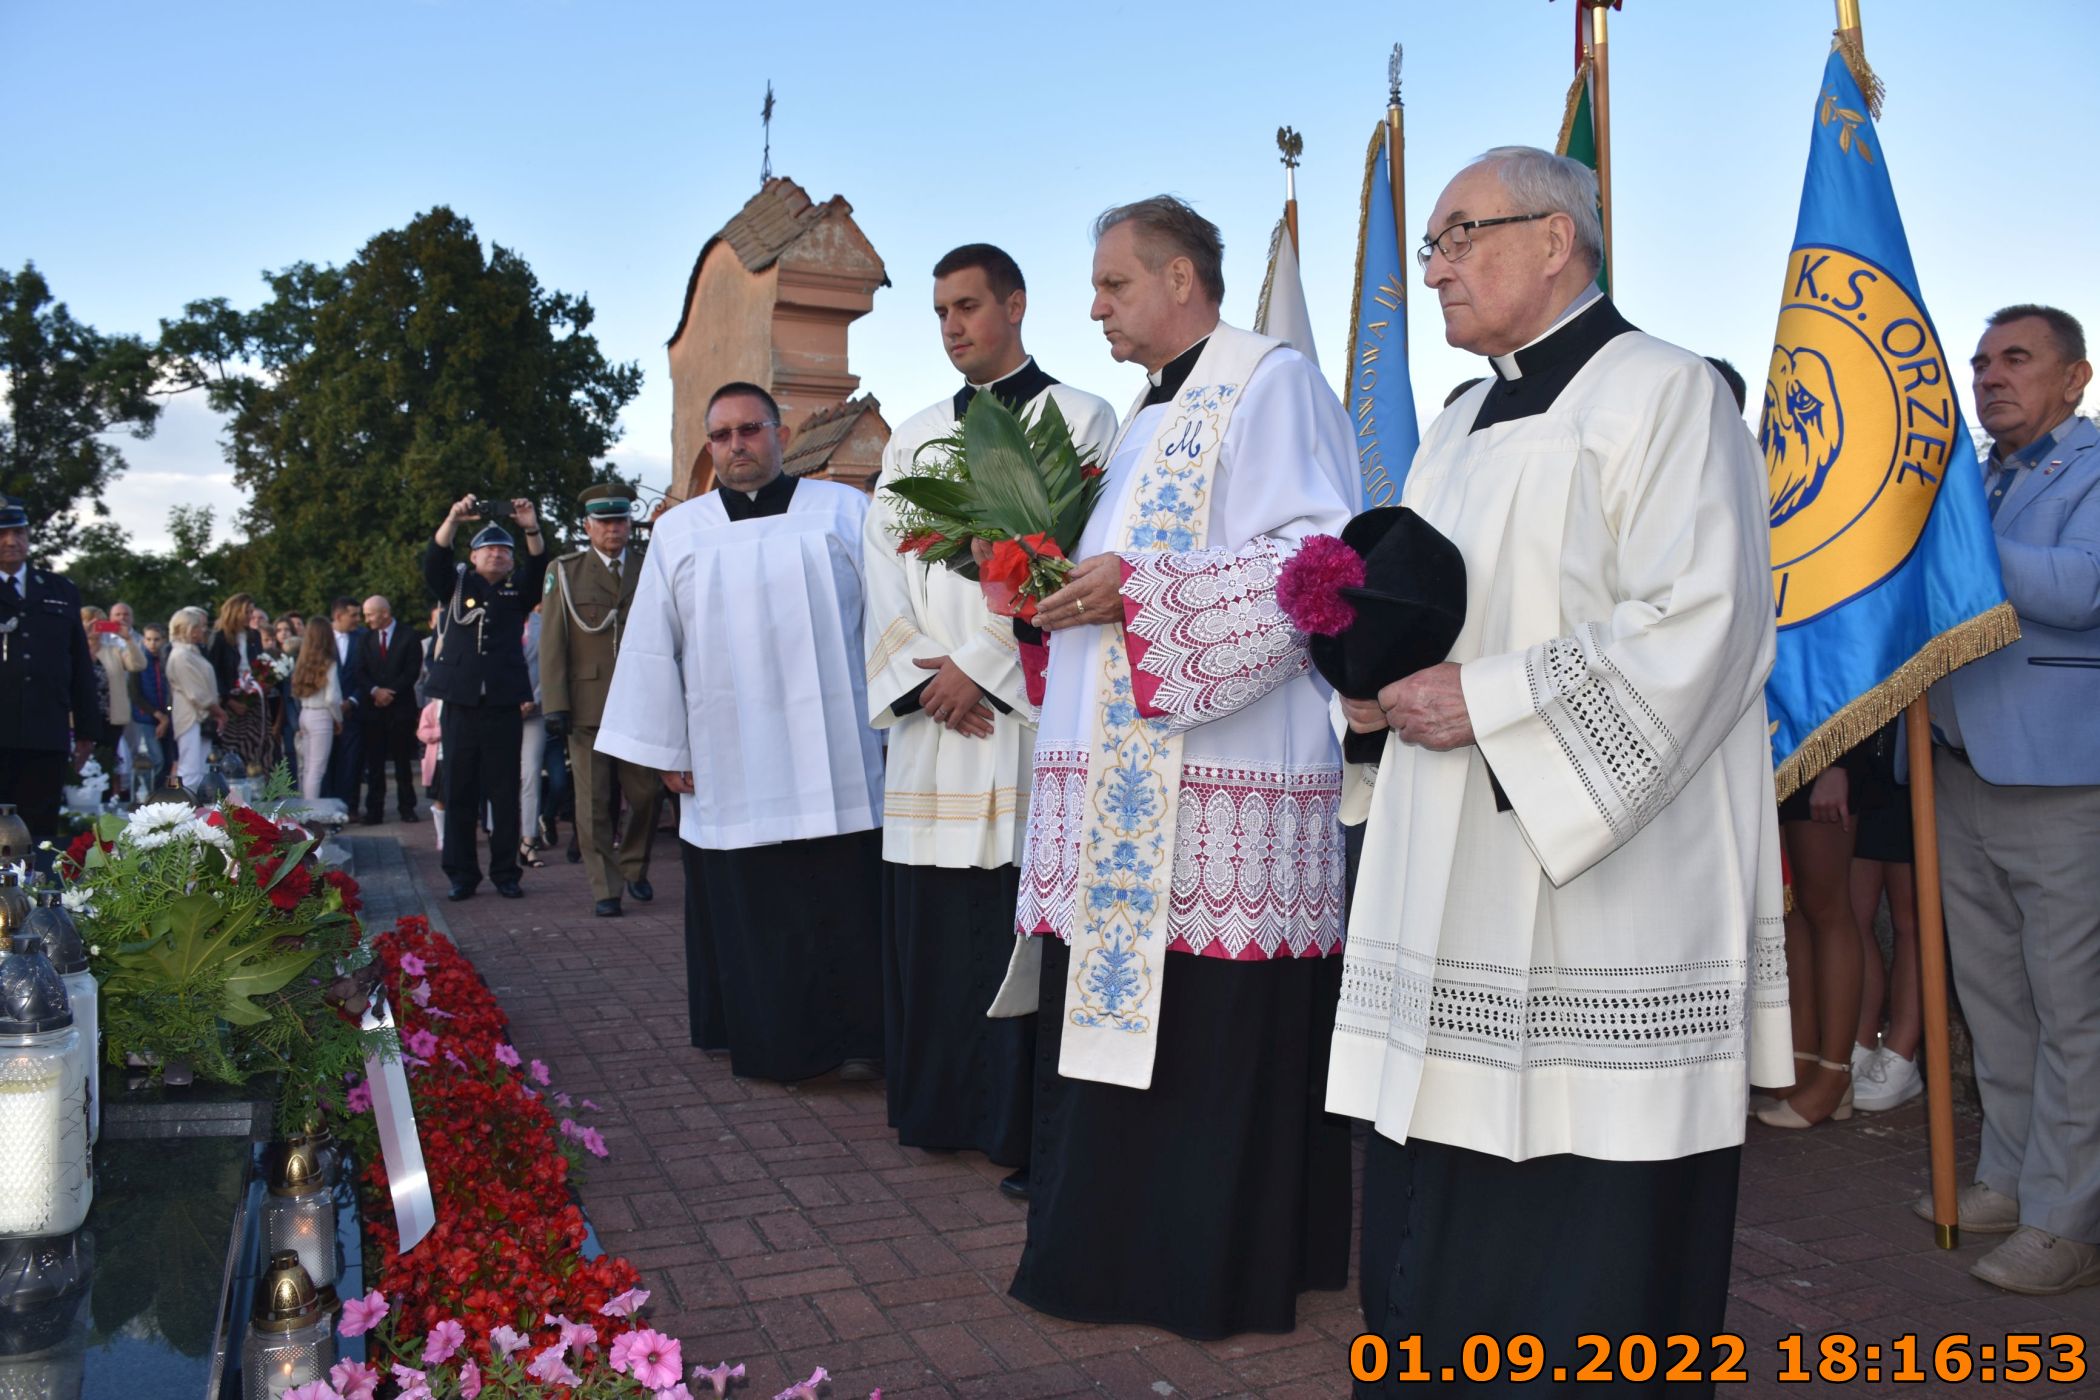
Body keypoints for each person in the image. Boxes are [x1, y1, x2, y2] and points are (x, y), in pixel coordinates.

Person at [1327, 147, 1790, 1389]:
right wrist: (1368, 686)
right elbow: (1429, 606)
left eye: (1460, 235)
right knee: (1443, 1161)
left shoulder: (1667, 392)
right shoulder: (1455, 423)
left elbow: (1706, 622)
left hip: (1608, 880)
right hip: (1449, 856)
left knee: (1586, 1205)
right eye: (1430, 244)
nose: (1435, 268)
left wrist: (1488, 701)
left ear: (1556, 240)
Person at [1001, 197, 1356, 1340]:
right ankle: (1111, 1252)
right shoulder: (1146, 416)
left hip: (1217, 780)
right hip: (1119, 783)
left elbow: (1319, 557)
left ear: (1181, 280)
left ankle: (1202, 1267)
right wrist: (1048, 591)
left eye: (1113, 285)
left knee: (1210, 1033)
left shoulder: (1270, 382)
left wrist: (1143, 591)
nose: (1095, 309)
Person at [865, 243, 1118, 1192]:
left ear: (1015, 305)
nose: (952, 326)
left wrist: (981, 666)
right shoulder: (913, 435)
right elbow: (881, 564)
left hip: (1023, 718)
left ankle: (1018, 1123)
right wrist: (922, 677)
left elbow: (1079, 560)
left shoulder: (1082, 417)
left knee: (1023, 911)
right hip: (931, 722)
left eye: (967, 306)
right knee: (938, 921)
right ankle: (941, 1107)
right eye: (940, 311)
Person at [597, 382, 885, 1082]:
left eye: (750, 430)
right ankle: (771, 1044)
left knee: (844, 898)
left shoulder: (845, 512)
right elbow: (650, 646)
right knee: (757, 908)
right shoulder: (679, 531)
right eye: (722, 435)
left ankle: (863, 1042)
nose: (736, 446)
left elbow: (888, 624)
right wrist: (668, 748)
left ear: (780, 435)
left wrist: (893, 726)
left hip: (838, 753)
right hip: (729, 756)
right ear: (710, 447)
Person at [1920, 303, 2100, 1295]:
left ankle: (2067, 1220)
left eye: (2017, 359)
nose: (1990, 376)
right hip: (1957, 768)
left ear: (2074, 378)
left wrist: (1957, 541)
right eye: (1982, 361)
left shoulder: (2093, 467)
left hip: (2060, 778)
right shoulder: (1975, 479)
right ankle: (2011, 1176)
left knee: (2073, 1008)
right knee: (1994, 1000)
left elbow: (2082, 588)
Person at [540, 484, 666, 918]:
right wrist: (555, 704)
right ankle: (605, 887)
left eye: (621, 521)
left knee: (647, 795)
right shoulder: (566, 571)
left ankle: (633, 866)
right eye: (605, 522)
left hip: (641, 702)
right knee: (593, 803)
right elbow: (552, 641)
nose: (614, 529)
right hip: (588, 704)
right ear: (588, 527)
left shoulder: (650, 566)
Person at [422, 496, 547, 900]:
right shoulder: (458, 585)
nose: (497, 554)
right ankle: (461, 874)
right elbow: (434, 561)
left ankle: (506, 872)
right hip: (460, 703)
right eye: (488, 549)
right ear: (473, 556)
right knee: (459, 791)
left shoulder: (516, 591)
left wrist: (530, 527)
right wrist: (453, 519)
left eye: (504, 550)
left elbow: (539, 567)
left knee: (504, 793)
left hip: (503, 705)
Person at [0, 498, 97, 855]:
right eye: (3, 534)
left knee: (39, 832)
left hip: (46, 730)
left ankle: (34, 890)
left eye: (19, 532)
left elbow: (80, 665)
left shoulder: (59, 590)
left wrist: (86, 730)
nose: (12, 541)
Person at [356, 596, 422, 825]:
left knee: (403, 761)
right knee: (375, 763)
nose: (367, 620)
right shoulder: (365, 638)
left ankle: (407, 807)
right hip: (373, 709)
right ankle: (374, 810)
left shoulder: (409, 636)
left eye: (370, 614)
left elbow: (412, 670)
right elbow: (360, 671)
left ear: (384, 613)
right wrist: (375, 691)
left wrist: (390, 692)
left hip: (400, 707)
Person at [206, 593, 275, 775]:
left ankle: (260, 782)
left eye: (252, 611)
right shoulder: (220, 638)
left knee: (259, 743)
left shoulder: (254, 636)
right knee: (234, 748)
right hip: (231, 702)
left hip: (254, 699)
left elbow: (259, 664)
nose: (250, 616)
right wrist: (229, 700)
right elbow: (214, 673)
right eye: (247, 612)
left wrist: (266, 682)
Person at [92, 602, 150, 792]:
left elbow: (138, 665)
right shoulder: (75, 647)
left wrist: (129, 640)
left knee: (110, 757)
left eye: (126, 614)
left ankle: (115, 793)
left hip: (112, 713)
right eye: (91, 623)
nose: (121, 619)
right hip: (84, 714)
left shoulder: (114, 648)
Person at [165, 606, 223, 791]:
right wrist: (218, 711)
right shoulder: (180, 655)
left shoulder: (192, 652)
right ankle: (185, 801)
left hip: (202, 715)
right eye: (197, 627)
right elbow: (195, 693)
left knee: (200, 765)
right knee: (190, 766)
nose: (202, 631)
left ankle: (198, 800)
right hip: (190, 715)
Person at [288, 618, 342, 803]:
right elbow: (332, 698)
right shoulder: (329, 663)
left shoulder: (302, 662)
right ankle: (311, 811)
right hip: (321, 715)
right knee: (317, 769)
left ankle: (304, 805)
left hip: (305, 713)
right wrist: (338, 718)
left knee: (306, 768)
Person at [321, 597, 368, 802]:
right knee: (324, 760)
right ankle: (325, 804)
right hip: (324, 711)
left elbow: (368, 673)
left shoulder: (363, 637)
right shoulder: (320, 639)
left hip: (353, 710)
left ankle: (350, 805)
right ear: (338, 615)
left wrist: (353, 700)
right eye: (353, 615)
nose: (358, 619)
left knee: (352, 762)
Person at [133, 623, 173, 790]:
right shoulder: (139, 661)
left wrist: (167, 716)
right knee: (156, 759)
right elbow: (135, 694)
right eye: (148, 639)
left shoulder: (169, 660)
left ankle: (161, 793)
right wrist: (158, 715)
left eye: (156, 639)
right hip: (147, 717)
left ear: (164, 640)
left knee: (169, 760)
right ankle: (150, 792)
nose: (152, 643)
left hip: (168, 716)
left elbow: (172, 691)